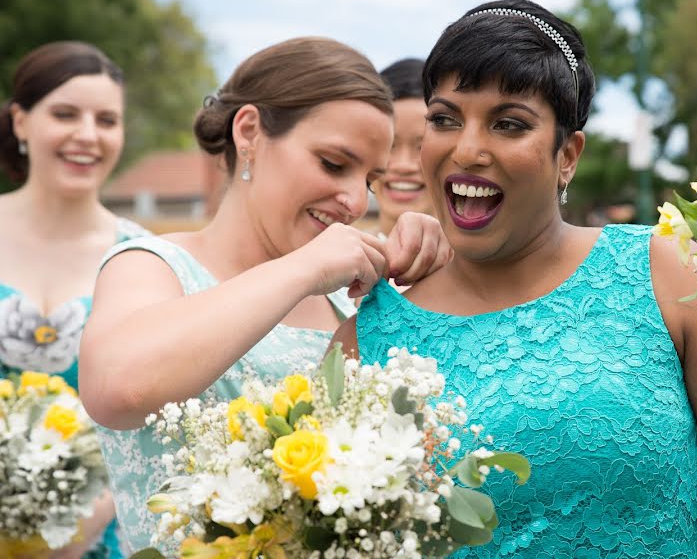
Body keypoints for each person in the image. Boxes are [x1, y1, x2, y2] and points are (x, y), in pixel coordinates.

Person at [331, 0, 697, 558]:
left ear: (567, 155)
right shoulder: (364, 343)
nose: (467, 149)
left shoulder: (668, 275)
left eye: (509, 124)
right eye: (445, 119)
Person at [78, 37, 451, 554]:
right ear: (249, 131)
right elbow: (117, 390)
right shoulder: (147, 265)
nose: (354, 199)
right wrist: (302, 268)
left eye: (370, 178)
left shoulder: (352, 303)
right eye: (333, 163)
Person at [0, 41, 150, 559]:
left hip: (98, 535)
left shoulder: (144, 258)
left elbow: (153, 409)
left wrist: (77, 526)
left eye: (106, 120)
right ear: (20, 121)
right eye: (65, 114)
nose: (87, 135)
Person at [370, 58, 434, 242]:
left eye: (423, 147)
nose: (403, 166)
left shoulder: (491, 269)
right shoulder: (324, 261)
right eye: (388, 145)